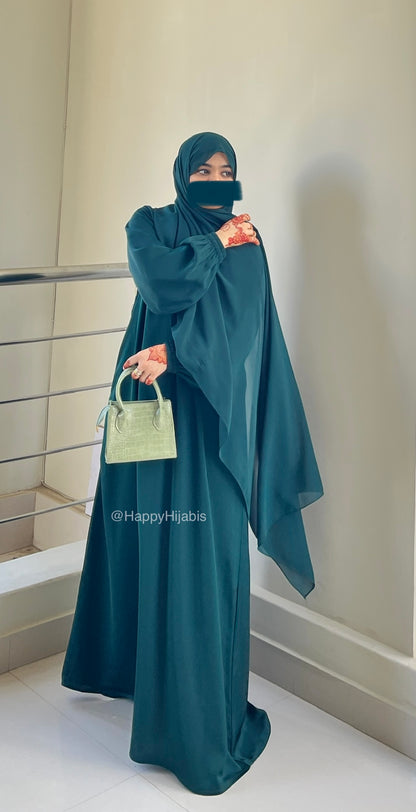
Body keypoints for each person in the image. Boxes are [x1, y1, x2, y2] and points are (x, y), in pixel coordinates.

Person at [61, 131, 324, 796]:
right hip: (146, 403)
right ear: (182, 174)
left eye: (225, 169)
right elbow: (159, 281)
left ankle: (198, 722)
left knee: (203, 558)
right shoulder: (150, 224)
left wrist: (174, 354)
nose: (214, 179)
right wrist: (214, 245)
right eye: (202, 169)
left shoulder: (248, 241)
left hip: (207, 415)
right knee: (139, 536)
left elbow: (242, 327)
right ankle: (132, 676)